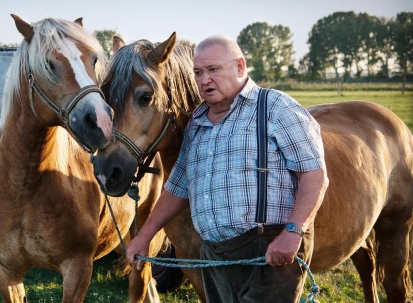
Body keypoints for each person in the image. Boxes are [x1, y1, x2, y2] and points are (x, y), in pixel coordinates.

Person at [126, 35, 329, 302]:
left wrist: (293, 232)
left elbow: (314, 174)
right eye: (198, 72)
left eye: (213, 70)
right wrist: (144, 236)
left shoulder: (275, 108)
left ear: (240, 67)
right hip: (215, 256)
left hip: (269, 250)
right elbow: (177, 187)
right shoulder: (197, 123)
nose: (204, 79)